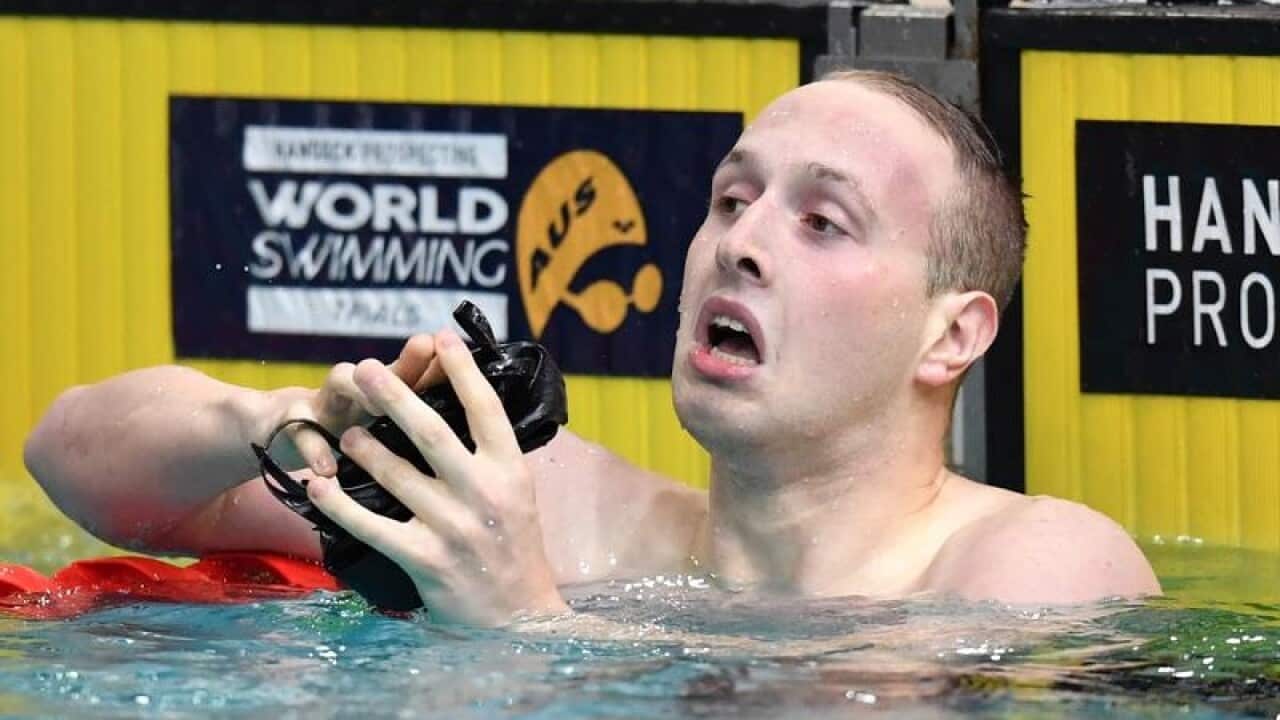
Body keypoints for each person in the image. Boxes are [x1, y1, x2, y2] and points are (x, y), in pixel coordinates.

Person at [22, 70, 1160, 626]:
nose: (739, 245)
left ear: (949, 331)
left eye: (820, 222)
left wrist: (527, 632)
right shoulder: (549, 509)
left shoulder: (1033, 569)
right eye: (728, 200)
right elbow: (71, 467)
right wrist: (277, 424)